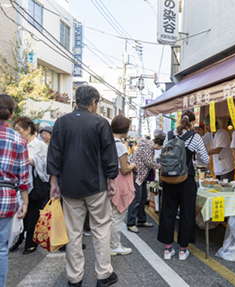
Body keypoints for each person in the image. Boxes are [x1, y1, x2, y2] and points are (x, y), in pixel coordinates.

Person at [47, 86, 119, 287]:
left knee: (72, 232)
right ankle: (103, 275)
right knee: (101, 228)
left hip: (69, 187)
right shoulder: (100, 123)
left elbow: (54, 154)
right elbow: (109, 154)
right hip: (96, 186)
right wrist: (111, 180)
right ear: (94, 103)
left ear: (76, 101)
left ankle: (74, 278)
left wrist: (54, 183)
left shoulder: (61, 122)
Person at [158, 110, 209, 260]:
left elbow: (163, 154)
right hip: (186, 179)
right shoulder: (195, 136)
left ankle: (167, 250)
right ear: (192, 123)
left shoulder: (169, 134)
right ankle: (182, 250)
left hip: (169, 180)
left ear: (180, 120)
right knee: (187, 213)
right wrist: (195, 155)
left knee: (168, 212)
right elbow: (205, 159)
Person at [0, 94, 29, 287]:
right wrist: (25, 201)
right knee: (1, 249)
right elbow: (23, 176)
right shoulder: (18, 139)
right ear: (11, 115)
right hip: (6, 197)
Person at [12, 116, 50, 255]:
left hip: (35, 185)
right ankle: (17, 239)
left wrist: (31, 160)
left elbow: (46, 164)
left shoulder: (40, 145)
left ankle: (31, 243)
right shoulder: (17, 143)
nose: (17, 132)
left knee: (33, 214)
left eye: (19, 129)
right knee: (20, 212)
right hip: (19, 182)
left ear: (28, 129)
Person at [126, 133, 165, 233]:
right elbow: (148, 162)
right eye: (161, 146)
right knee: (136, 199)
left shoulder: (148, 145)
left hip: (141, 175)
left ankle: (141, 220)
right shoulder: (149, 146)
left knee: (143, 198)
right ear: (159, 144)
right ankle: (131, 223)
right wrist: (161, 166)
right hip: (138, 175)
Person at [110, 115, 137, 256]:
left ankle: (110, 245)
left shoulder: (107, 142)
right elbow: (125, 168)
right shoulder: (120, 145)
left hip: (109, 181)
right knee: (117, 216)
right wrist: (133, 165)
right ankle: (114, 245)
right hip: (119, 184)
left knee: (110, 216)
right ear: (124, 129)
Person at [202, 115, 235, 181]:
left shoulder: (222, 133)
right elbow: (201, 140)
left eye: (207, 125)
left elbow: (217, 150)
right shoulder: (209, 134)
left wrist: (203, 153)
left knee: (225, 189)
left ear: (213, 124)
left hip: (227, 169)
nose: (206, 127)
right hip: (217, 169)